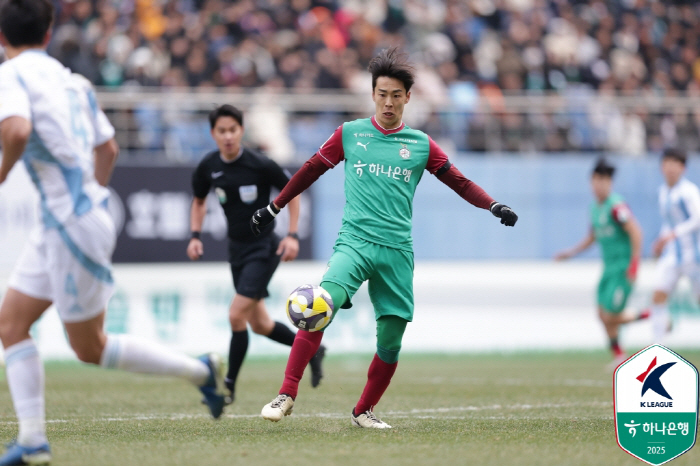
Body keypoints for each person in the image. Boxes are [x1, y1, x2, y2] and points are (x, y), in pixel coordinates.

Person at [0, 1, 225, 463]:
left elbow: (18, 131)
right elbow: (108, 148)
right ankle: (32, 439)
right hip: (64, 220)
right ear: (48, 33)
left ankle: (199, 370)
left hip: (68, 224)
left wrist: (4, 172)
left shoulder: (12, 76)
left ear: (2, 39)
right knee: (11, 324)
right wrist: (90, 198)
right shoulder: (73, 81)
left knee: (88, 347)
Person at [249, 47, 518, 429]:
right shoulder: (350, 133)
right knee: (316, 309)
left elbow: (459, 182)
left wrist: (493, 206)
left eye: (396, 95)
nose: (388, 102)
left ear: (408, 96)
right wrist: (275, 207)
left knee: (390, 342)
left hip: (397, 251)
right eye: (382, 94)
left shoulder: (421, 144)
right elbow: (310, 169)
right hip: (354, 243)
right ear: (372, 94)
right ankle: (286, 394)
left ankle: (364, 411)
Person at [188, 104, 325, 405]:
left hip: (264, 248)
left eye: (232, 130)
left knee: (235, 314)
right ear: (213, 134)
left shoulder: (259, 163)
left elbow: (293, 191)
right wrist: (195, 236)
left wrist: (291, 235)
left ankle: (228, 387)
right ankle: (313, 349)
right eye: (221, 131)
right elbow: (198, 201)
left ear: (241, 130)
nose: (227, 136)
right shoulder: (208, 166)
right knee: (260, 325)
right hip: (236, 251)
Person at [554, 159, 647, 367]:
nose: (599, 185)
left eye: (604, 180)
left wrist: (634, 264)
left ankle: (651, 314)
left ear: (610, 183)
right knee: (601, 314)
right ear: (591, 182)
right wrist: (570, 253)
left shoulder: (616, 206)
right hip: (608, 269)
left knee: (611, 316)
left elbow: (636, 231)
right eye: (596, 180)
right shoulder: (595, 209)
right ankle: (619, 356)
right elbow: (592, 236)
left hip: (622, 269)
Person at [649, 148, 700, 343]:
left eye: (675, 163)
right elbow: (669, 222)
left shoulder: (689, 192)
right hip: (672, 256)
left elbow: (698, 219)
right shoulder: (663, 192)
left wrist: (673, 234)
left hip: (693, 255)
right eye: (667, 163)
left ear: (683, 168)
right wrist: (661, 241)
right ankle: (657, 347)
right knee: (658, 294)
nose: (671, 168)